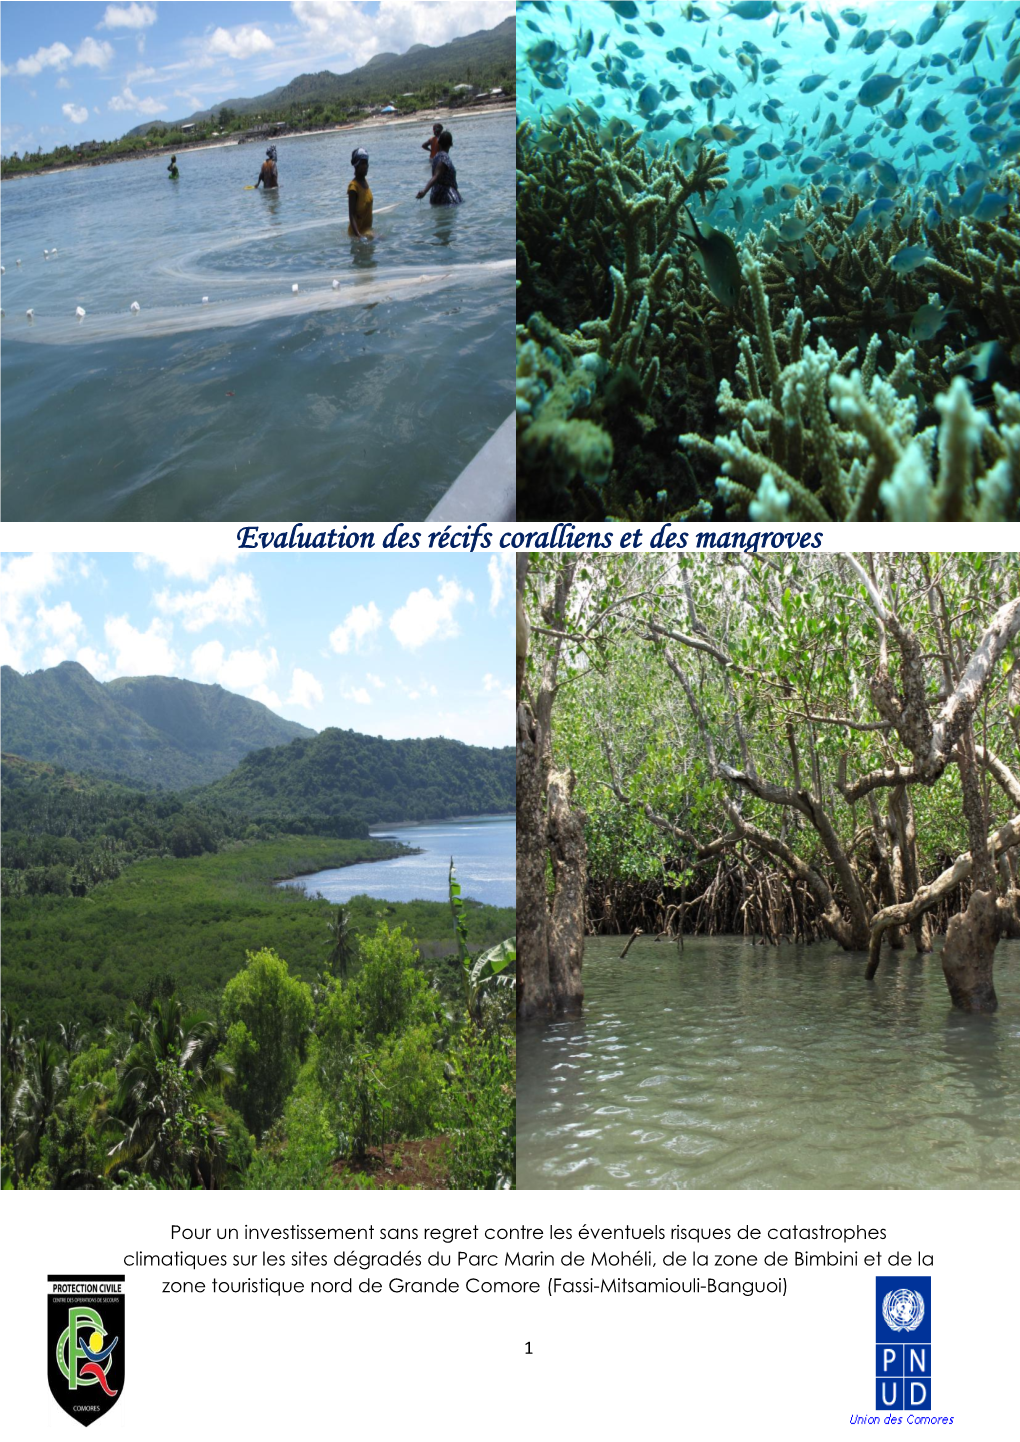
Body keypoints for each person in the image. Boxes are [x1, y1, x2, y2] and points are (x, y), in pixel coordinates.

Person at [417, 130, 461, 205]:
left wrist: (425, 191)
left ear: (439, 143)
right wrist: (424, 191)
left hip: (435, 195)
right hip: (447, 196)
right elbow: (436, 176)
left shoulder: (436, 157)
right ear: (451, 144)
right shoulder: (444, 158)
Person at [347, 147, 373, 239]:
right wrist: (358, 236)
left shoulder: (364, 182)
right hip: (359, 234)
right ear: (356, 165)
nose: (365, 166)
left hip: (367, 230)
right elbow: (351, 215)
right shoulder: (353, 187)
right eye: (362, 163)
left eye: (366, 163)